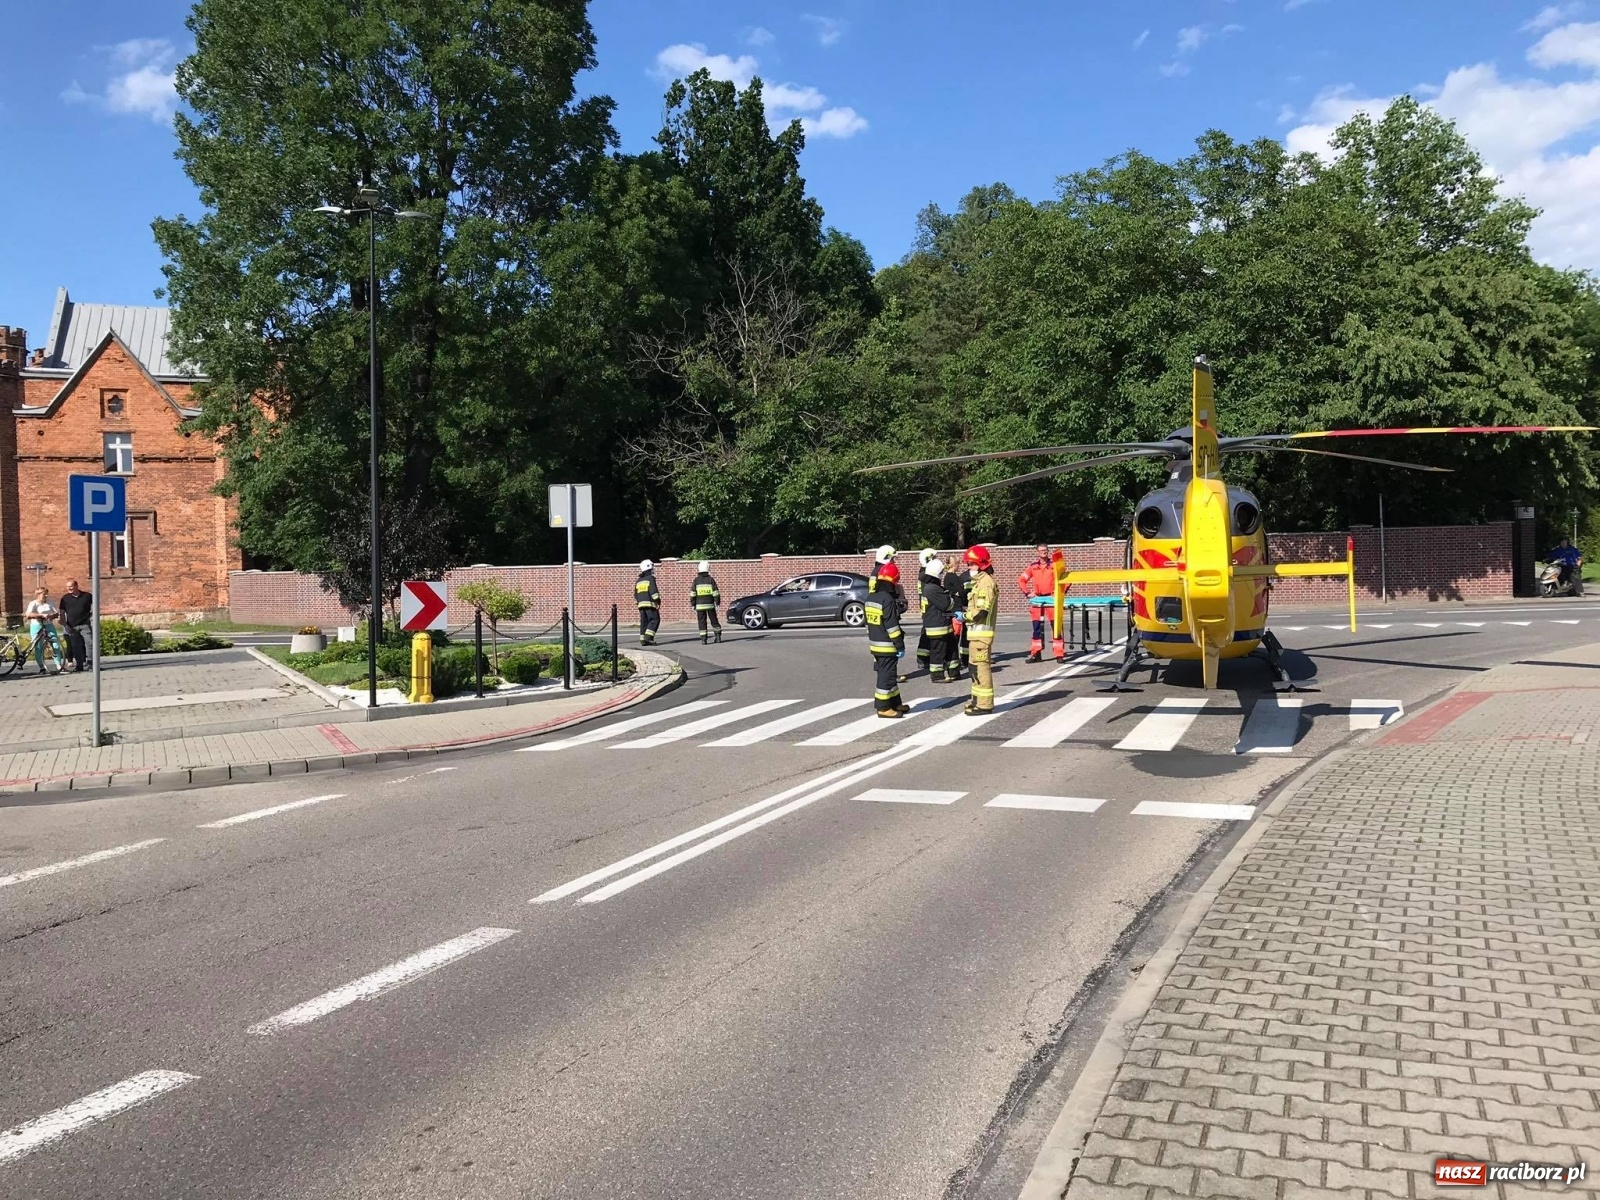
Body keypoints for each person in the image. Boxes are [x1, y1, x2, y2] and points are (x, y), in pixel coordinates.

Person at [865, 561, 909, 717]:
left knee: (890, 674)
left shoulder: (871, 597)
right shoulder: (887, 600)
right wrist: (900, 645)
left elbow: (868, 624)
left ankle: (895, 703)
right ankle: (883, 707)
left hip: (875, 644)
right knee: (885, 676)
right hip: (887, 645)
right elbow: (892, 627)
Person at [963, 545, 999, 715]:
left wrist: (964, 616)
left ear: (980, 564)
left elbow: (981, 612)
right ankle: (977, 700)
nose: (968, 567)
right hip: (976, 635)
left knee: (981, 668)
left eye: (970, 564)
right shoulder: (979, 582)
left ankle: (984, 704)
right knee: (974, 668)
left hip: (981, 636)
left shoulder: (985, 583)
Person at [1017, 543, 1059, 663]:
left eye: (1045, 550)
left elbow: (1065, 580)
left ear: (1048, 551)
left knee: (1056, 627)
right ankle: (1036, 653)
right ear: (1037, 552)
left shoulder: (1055, 565)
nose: (1044, 552)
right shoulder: (1033, 566)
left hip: (1051, 600)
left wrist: (1059, 593)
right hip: (1037, 600)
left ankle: (1059, 654)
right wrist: (1027, 593)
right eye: (1041, 551)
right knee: (1036, 628)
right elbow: (1021, 580)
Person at [920, 557, 956, 683]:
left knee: (952, 649)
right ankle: (937, 675)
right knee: (938, 652)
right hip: (937, 627)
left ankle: (954, 672)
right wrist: (951, 598)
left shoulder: (930, 587)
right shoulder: (932, 589)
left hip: (941, 624)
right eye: (941, 572)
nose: (942, 575)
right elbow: (947, 604)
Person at [23, 588, 66, 675]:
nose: (46, 596)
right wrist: (41, 615)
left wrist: (51, 616)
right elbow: (28, 614)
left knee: (55, 644)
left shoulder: (49, 602)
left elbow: (56, 613)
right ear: (38, 595)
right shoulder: (33, 603)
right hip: (37, 626)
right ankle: (42, 667)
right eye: (44, 594)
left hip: (48, 625)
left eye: (47, 594)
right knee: (38, 646)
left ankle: (59, 665)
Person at [942, 557, 970, 680]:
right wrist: (961, 592)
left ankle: (953, 663)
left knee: (954, 637)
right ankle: (954, 665)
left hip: (952, 609)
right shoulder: (953, 576)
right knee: (956, 637)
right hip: (957, 609)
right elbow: (961, 592)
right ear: (955, 564)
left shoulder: (946, 577)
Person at [58, 579, 93, 672]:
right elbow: (62, 612)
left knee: (89, 643)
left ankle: (91, 664)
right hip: (72, 626)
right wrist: (64, 624)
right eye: (67, 587)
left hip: (85, 624)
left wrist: (92, 616)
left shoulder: (87, 596)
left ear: (76, 586)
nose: (69, 588)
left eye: (71, 586)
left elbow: (95, 606)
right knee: (76, 646)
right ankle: (79, 665)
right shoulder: (65, 598)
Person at [915, 547, 938, 670]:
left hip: (925, 606)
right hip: (929, 606)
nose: (936, 559)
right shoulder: (926, 573)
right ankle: (923, 659)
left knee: (926, 631)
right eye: (934, 557)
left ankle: (923, 657)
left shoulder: (923, 572)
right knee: (928, 633)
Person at [691, 560, 723, 644]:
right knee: (714, 620)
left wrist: (693, 604)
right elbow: (716, 592)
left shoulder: (696, 580)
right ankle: (718, 637)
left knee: (702, 622)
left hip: (700, 606)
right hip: (710, 605)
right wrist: (717, 602)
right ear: (708, 568)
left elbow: (693, 593)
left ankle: (704, 640)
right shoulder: (711, 580)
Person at [635, 559, 662, 645]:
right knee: (655, 620)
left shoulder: (638, 581)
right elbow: (654, 592)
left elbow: (635, 594)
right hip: (650, 604)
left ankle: (643, 639)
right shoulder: (650, 579)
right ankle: (648, 637)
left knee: (644, 622)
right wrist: (658, 601)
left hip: (641, 605)